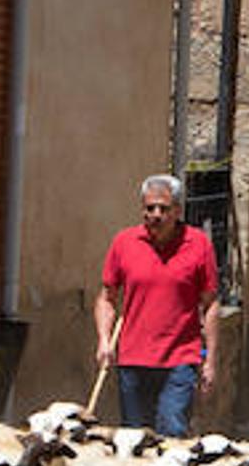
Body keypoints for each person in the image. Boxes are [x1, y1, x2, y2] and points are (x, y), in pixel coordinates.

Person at [93, 174, 219, 438]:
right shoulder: (124, 243)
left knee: (172, 432)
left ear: (177, 210)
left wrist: (210, 360)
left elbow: (210, 304)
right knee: (134, 438)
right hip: (132, 360)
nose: (156, 214)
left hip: (180, 360)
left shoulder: (198, 245)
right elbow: (107, 297)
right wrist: (104, 340)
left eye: (164, 208)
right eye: (150, 208)